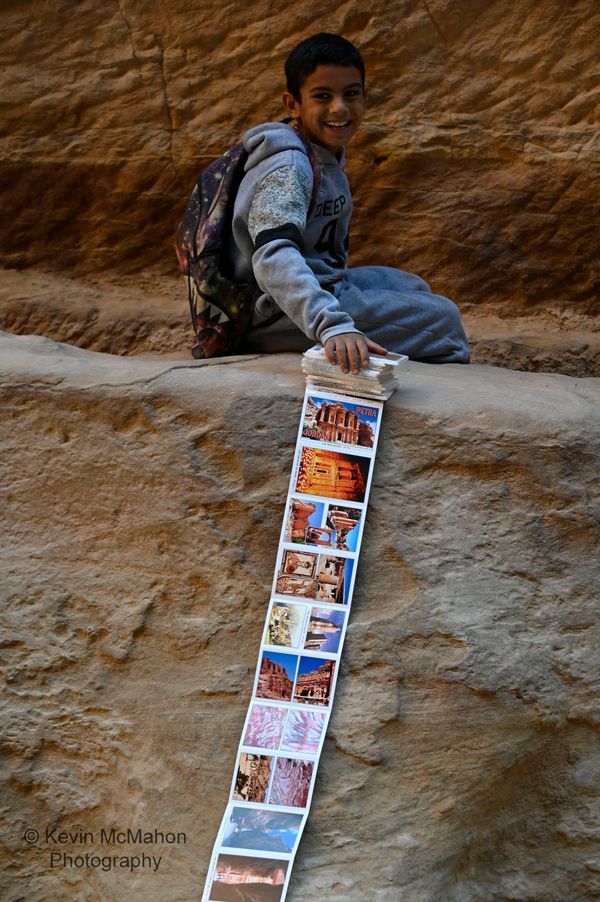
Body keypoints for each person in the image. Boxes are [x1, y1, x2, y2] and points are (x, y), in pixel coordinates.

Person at [230, 33, 470, 374]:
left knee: (414, 288)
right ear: (293, 105)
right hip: (272, 312)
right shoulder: (290, 167)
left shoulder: (320, 153)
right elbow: (272, 256)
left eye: (351, 94)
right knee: (444, 322)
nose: (339, 108)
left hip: (322, 287)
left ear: (365, 97)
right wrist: (332, 326)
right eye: (322, 96)